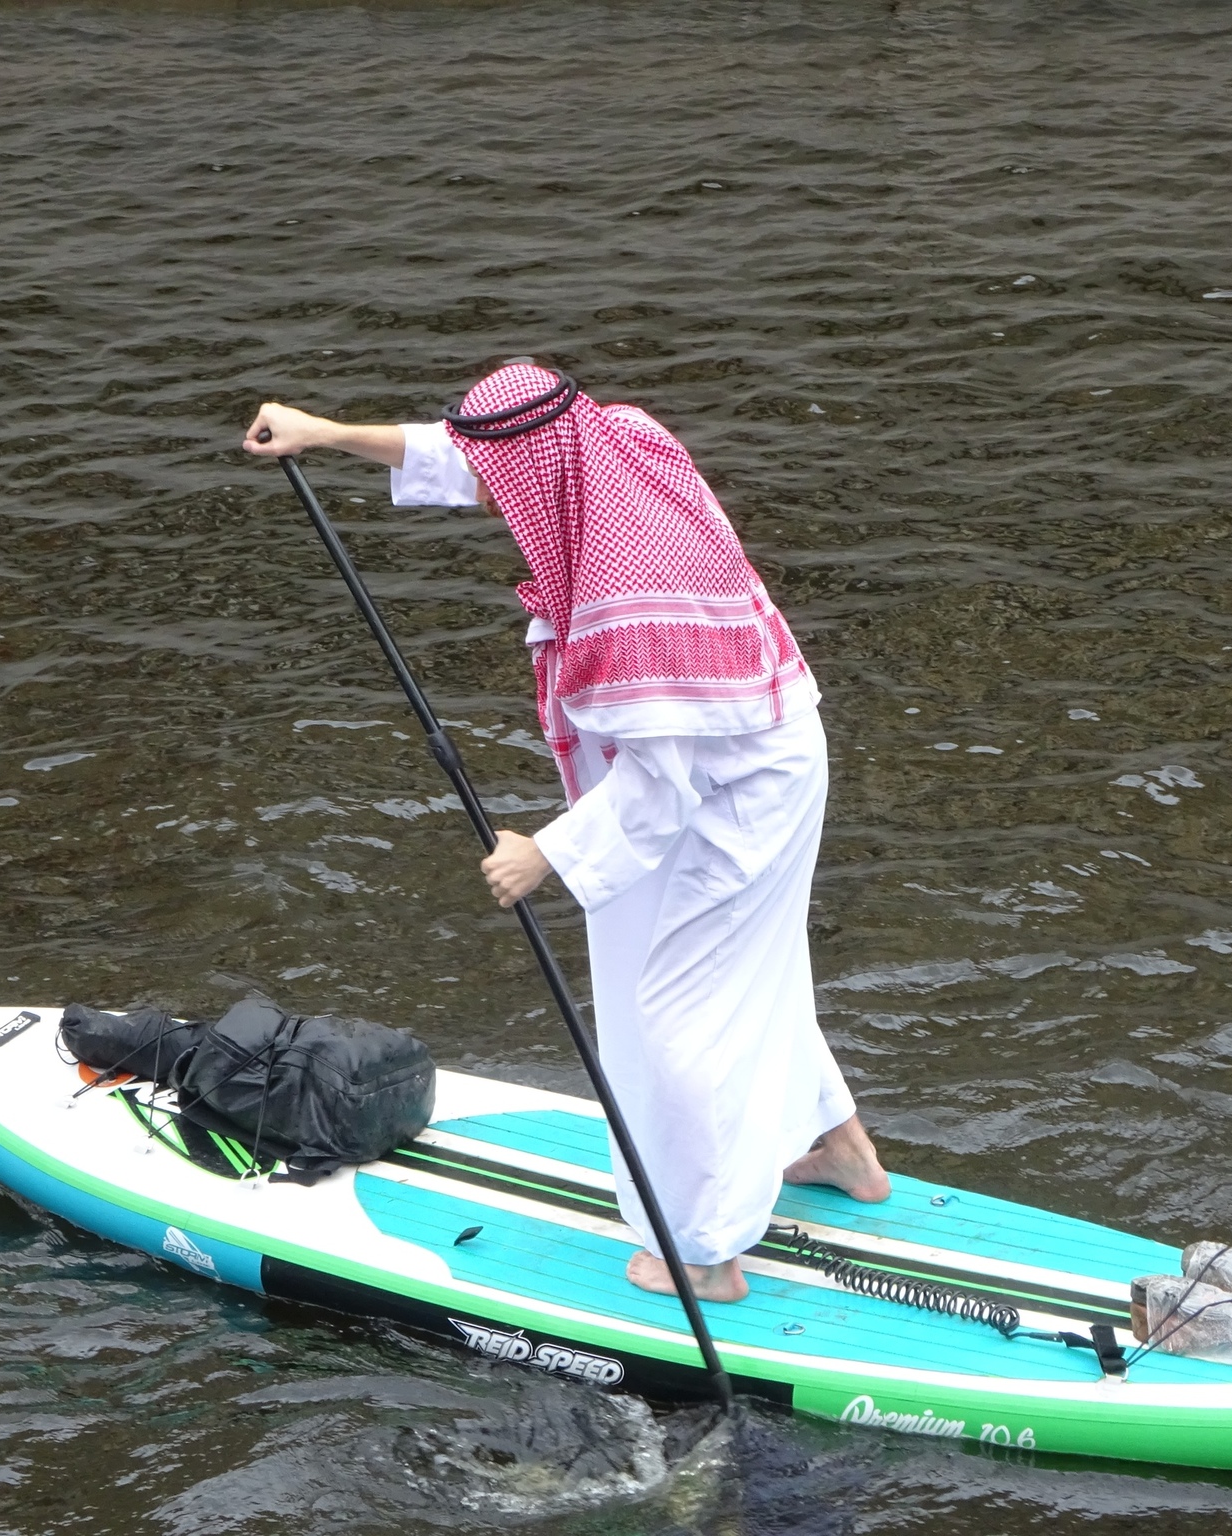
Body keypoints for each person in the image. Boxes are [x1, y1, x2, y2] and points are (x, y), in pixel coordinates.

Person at [244, 363, 888, 1302]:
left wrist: (544, 852)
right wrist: (326, 433)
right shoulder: (613, 439)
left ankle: (704, 1256)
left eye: (504, 485)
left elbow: (659, 791)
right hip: (752, 739)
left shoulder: (632, 607)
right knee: (754, 973)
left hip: (732, 789)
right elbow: (475, 457)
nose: (497, 502)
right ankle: (843, 1152)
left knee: (681, 1013)